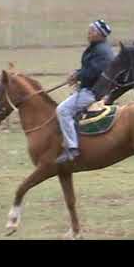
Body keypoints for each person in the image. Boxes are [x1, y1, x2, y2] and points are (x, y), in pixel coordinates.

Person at [56, 20, 115, 164]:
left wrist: (77, 76)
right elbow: (88, 69)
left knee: (62, 110)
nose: (89, 33)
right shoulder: (97, 48)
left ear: (101, 35)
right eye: (89, 30)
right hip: (89, 88)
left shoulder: (102, 51)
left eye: (92, 31)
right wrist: (77, 74)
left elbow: (94, 72)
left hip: (93, 92)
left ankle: (72, 148)